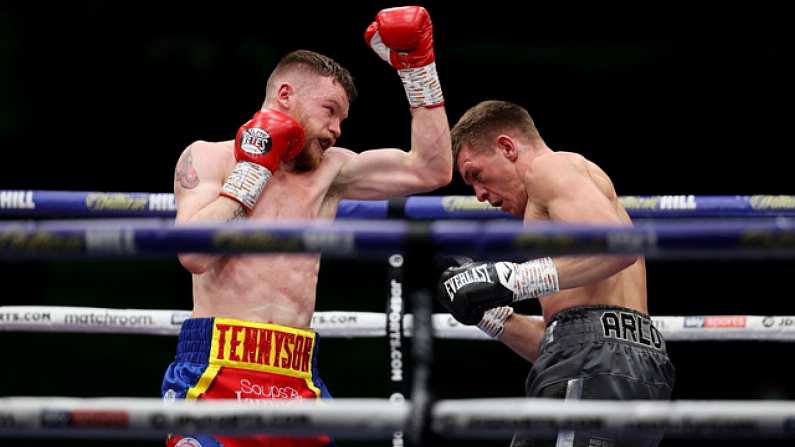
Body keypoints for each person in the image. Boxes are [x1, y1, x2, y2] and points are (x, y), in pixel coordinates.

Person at [161, 6, 452, 447]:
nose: (336, 130)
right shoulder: (208, 157)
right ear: (284, 96)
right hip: (215, 369)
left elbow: (431, 170)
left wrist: (418, 71)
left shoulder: (331, 171)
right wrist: (252, 172)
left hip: (296, 373)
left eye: (342, 120)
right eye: (329, 111)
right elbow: (194, 255)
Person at [437, 100, 675, 447]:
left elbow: (620, 247)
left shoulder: (550, 167)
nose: (480, 195)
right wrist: (491, 314)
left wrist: (510, 280)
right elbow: (570, 339)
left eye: (476, 175)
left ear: (507, 147)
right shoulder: (557, 222)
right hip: (618, 366)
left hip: (599, 365)